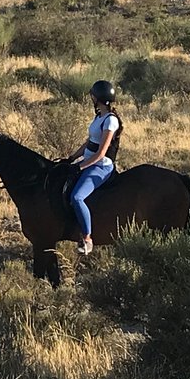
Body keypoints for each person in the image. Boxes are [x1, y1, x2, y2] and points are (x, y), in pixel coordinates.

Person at [65, 80, 122, 255]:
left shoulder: (110, 121)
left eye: (93, 96)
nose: (91, 98)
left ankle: (87, 238)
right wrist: (73, 157)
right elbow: (89, 142)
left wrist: (81, 167)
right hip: (88, 163)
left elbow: (101, 153)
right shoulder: (99, 117)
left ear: (98, 98)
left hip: (100, 167)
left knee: (77, 197)